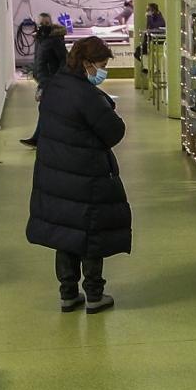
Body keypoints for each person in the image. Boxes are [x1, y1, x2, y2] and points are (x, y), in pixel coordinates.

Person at [26, 36, 131, 314]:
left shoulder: (55, 86)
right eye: (101, 65)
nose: (103, 71)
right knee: (90, 235)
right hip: (85, 175)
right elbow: (113, 132)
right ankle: (95, 295)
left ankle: (68, 294)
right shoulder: (86, 95)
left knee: (65, 235)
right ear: (86, 63)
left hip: (55, 174)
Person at [20, 13, 67, 148]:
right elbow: (38, 60)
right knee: (47, 109)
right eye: (41, 23)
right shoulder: (40, 39)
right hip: (43, 80)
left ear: (51, 23)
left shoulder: (55, 40)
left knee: (45, 109)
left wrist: (57, 78)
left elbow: (64, 60)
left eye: (46, 23)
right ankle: (41, 138)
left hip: (51, 81)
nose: (43, 26)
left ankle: (39, 138)